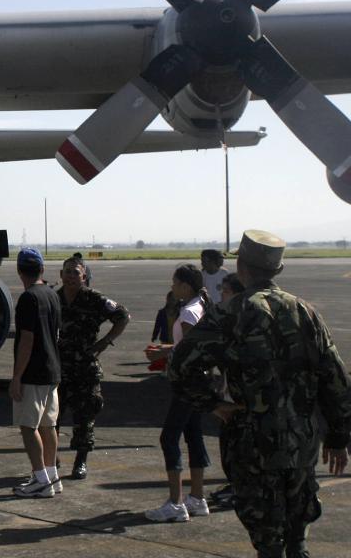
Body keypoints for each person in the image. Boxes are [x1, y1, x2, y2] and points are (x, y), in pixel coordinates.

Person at [170, 230, 351, 557]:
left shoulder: (230, 313)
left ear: (240, 266)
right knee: (298, 538)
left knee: (268, 543)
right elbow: (335, 378)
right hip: (301, 443)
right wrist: (338, 437)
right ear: (278, 271)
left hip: (253, 445)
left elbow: (180, 365)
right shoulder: (305, 311)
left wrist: (214, 404)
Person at [143, 264, 212, 522]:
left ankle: (175, 502)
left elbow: (192, 351)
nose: (171, 287)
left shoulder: (189, 313)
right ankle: (197, 497)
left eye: (174, 282)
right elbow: (188, 346)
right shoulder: (198, 307)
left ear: (185, 285)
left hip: (187, 383)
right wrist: (167, 349)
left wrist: (165, 352)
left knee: (169, 438)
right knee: (193, 436)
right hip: (195, 382)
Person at [55, 256, 129, 481]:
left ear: (84, 276)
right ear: (61, 275)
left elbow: (123, 316)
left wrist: (104, 342)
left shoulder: (94, 299)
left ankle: (80, 461)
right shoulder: (54, 298)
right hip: (59, 367)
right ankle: (52, 458)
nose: (70, 277)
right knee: (53, 417)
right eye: (67, 272)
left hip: (85, 367)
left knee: (85, 416)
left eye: (75, 273)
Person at [9, 247, 63, 498]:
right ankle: (52, 475)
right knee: (48, 425)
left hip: (33, 372)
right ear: (42, 269)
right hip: (52, 369)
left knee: (28, 427)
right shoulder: (52, 295)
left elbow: (27, 340)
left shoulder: (29, 298)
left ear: (20, 271)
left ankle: (40, 478)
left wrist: (17, 376)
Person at [208, 272, 246, 511]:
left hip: (240, 401)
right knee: (229, 449)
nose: (221, 294)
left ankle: (240, 491)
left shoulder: (239, 322)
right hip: (229, 395)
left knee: (240, 450)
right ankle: (235, 486)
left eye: (226, 291)